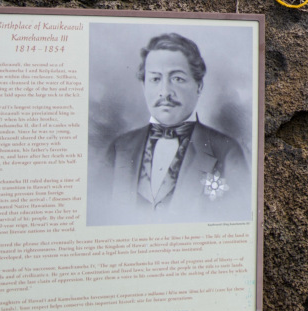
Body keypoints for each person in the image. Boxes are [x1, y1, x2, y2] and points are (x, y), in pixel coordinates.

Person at [92, 33, 251, 226]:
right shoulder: (119, 149)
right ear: (144, 86)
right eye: (155, 79)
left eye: (177, 78)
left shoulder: (227, 152)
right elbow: (98, 216)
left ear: (199, 86)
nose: (165, 92)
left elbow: (237, 224)